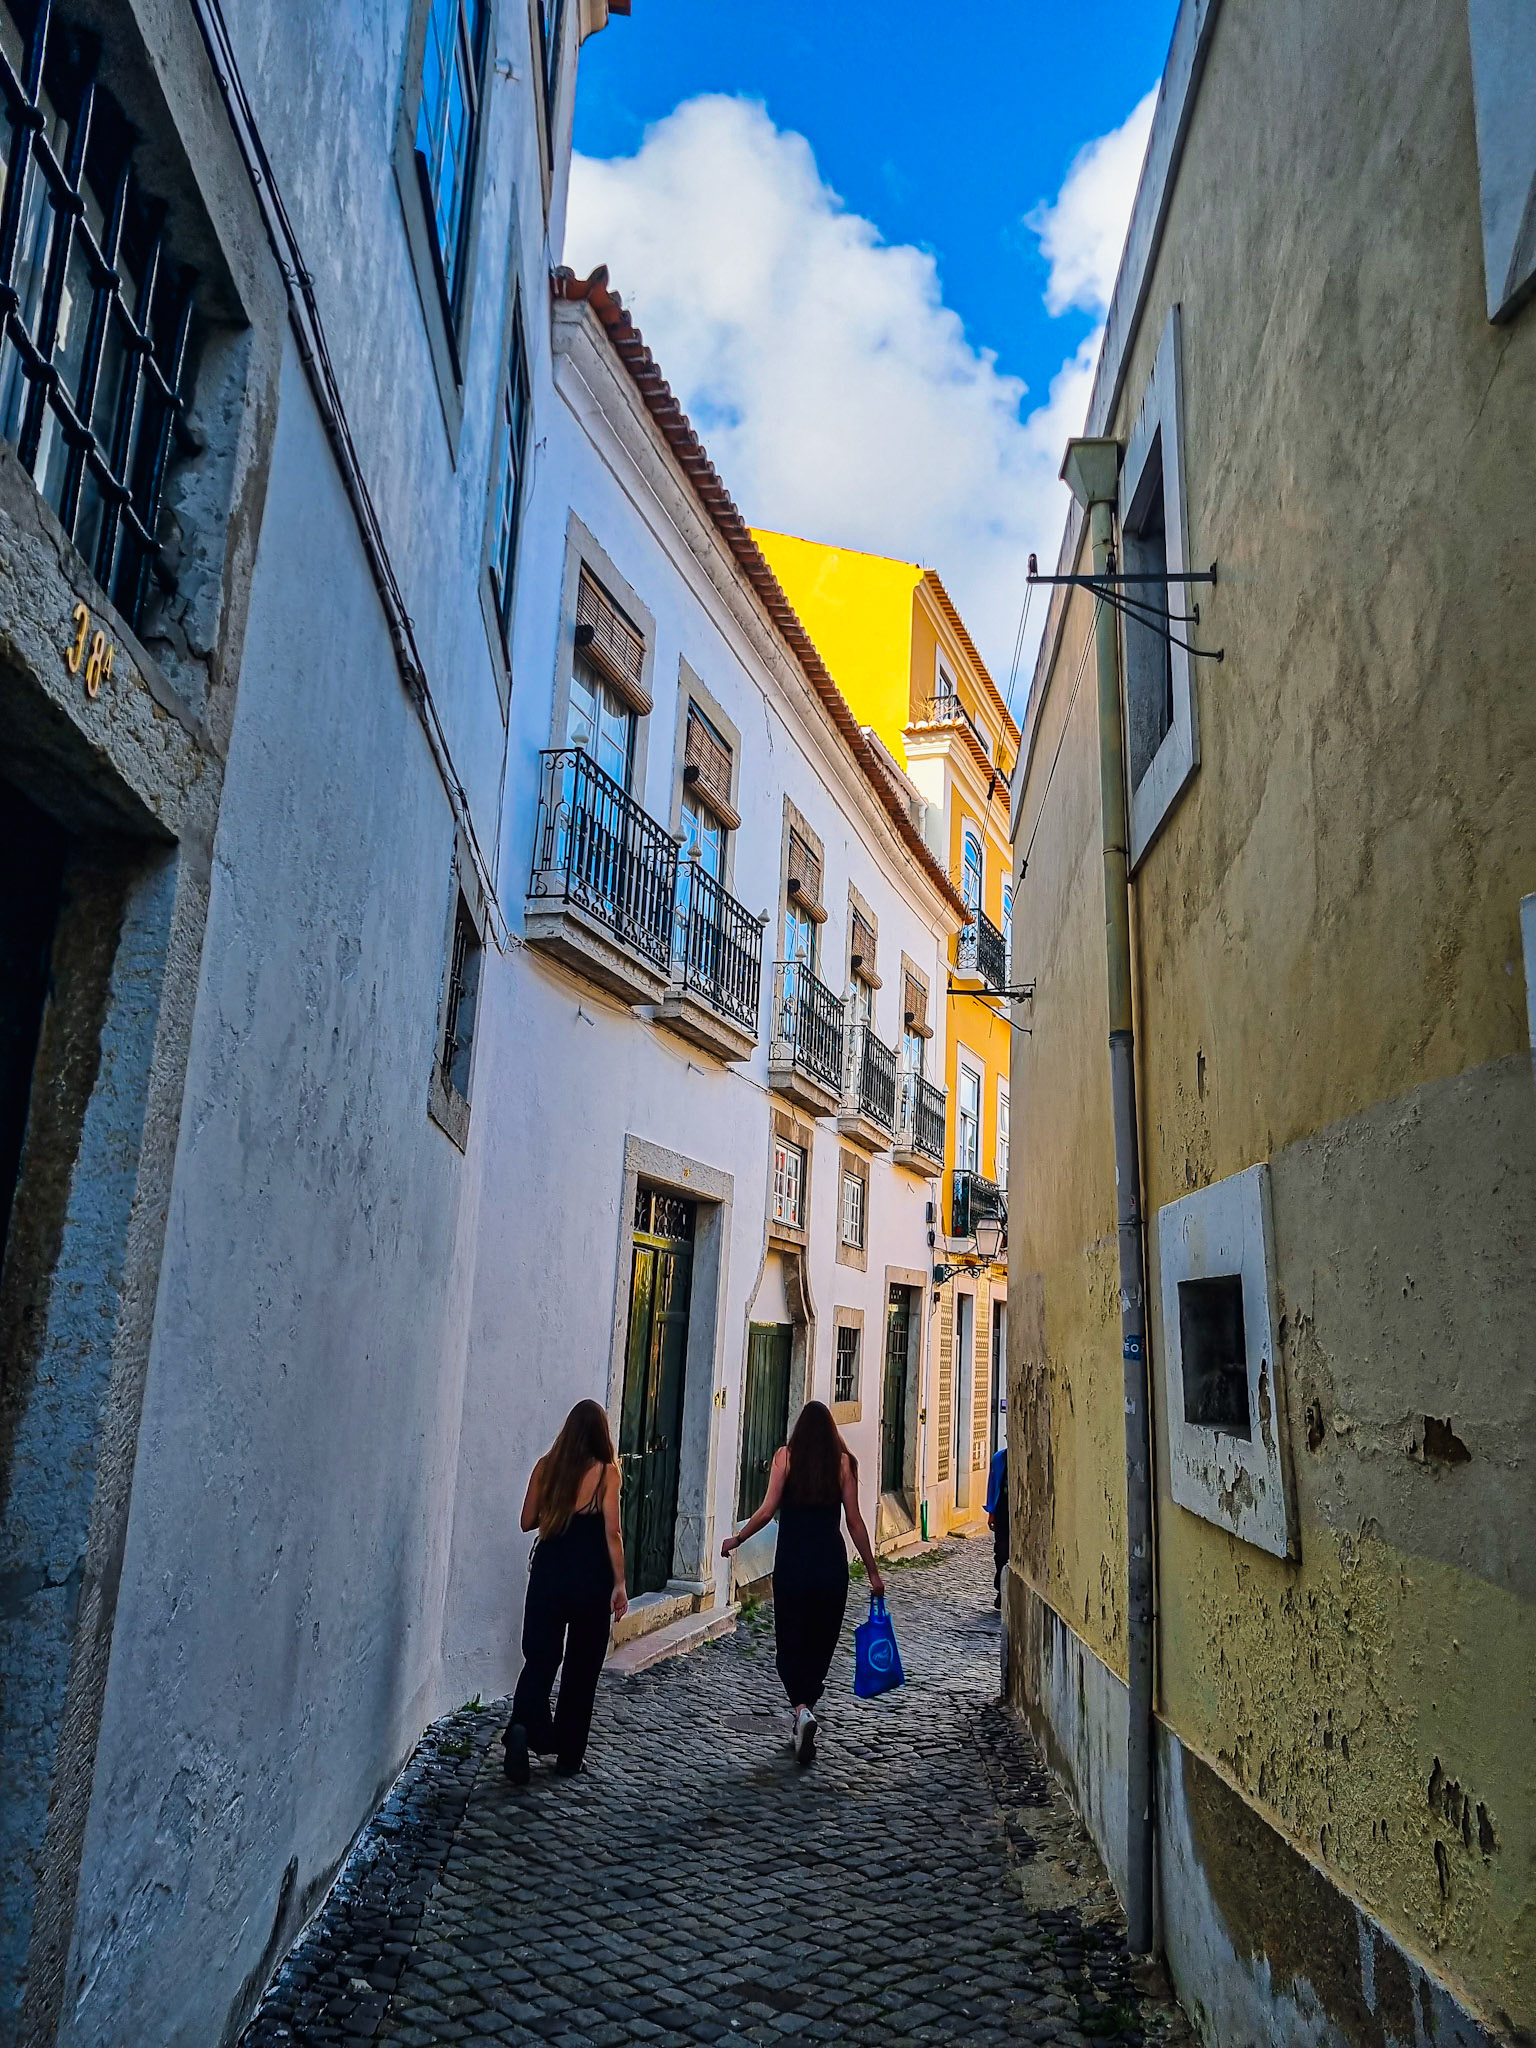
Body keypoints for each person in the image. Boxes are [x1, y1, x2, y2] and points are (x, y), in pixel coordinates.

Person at [721, 1399, 883, 1764]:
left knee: (790, 1640)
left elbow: (766, 1511)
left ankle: (801, 1709)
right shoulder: (844, 1463)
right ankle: (806, 1710)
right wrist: (873, 1571)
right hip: (830, 1566)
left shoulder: (785, 1458)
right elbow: (854, 1521)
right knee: (821, 1640)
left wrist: (738, 1539)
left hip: (793, 1564)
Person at [504, 1400, 628, 1784]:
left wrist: (557, 1507)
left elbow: (527, 1521)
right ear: (601, 1434)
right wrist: (620, 1584)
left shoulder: (546, 1467)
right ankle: (570, 1757)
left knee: (540, 1658)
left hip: (549, 1571)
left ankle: (522, 1726)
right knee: (582, 1668)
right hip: (591, 1578)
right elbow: (613, 1533)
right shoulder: (607, 1473)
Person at [985, 1442, 1009, 1609]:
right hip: (1002, 1509)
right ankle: (1000, 1590)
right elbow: (993, 1486)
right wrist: (991, 1511)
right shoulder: (999, 1458)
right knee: (1001, 1553)